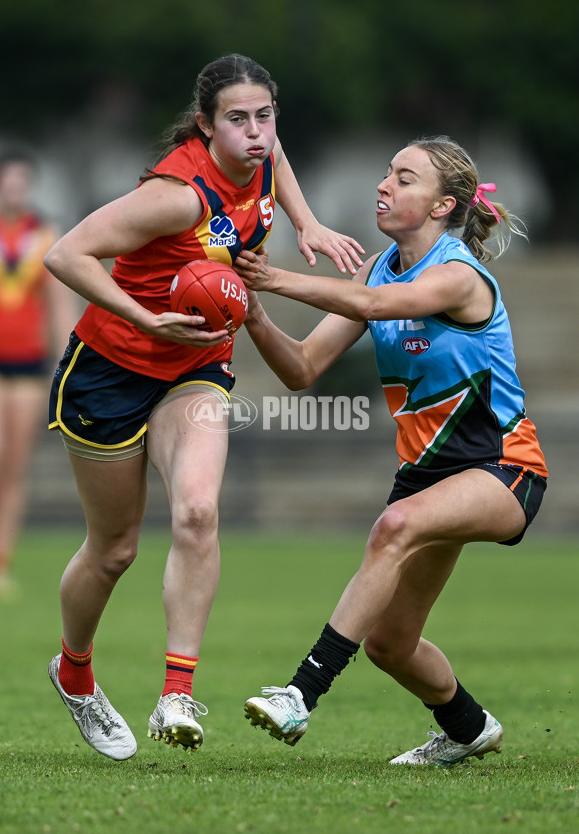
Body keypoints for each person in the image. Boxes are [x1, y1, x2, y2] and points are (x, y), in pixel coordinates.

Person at [44, 53, 364, 762]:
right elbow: (66, 254)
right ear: (205, 125)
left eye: (264, 116)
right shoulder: (177, 195)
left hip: (196, 365)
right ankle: (74, 673)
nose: (255, 132)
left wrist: (307, 223)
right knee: (113, 549)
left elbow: (276, 159)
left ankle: (177, 691)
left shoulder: (263, 154)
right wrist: (144, 316)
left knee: (196, 510)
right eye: (237, 120)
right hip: (110, 367)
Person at [237, 135, 548, 768]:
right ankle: (468, 728)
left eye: (404, 178)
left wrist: (273, 276)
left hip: (504, 468)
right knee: (390, 643)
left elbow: (377, 307)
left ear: (443, 206)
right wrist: (251, 310)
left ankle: (301, 693)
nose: (384, 185)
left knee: (394, 525)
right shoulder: (377, 268)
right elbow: (302, 368)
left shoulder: (459, 276)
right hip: (427, 474)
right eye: (387, 172)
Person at [0, 150, 76, 600]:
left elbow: (59, 307)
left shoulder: (45, 236)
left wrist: (68, 364)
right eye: (7, 180)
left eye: (22, 180)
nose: (14, 188)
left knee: (13, 469)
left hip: (28, 365)